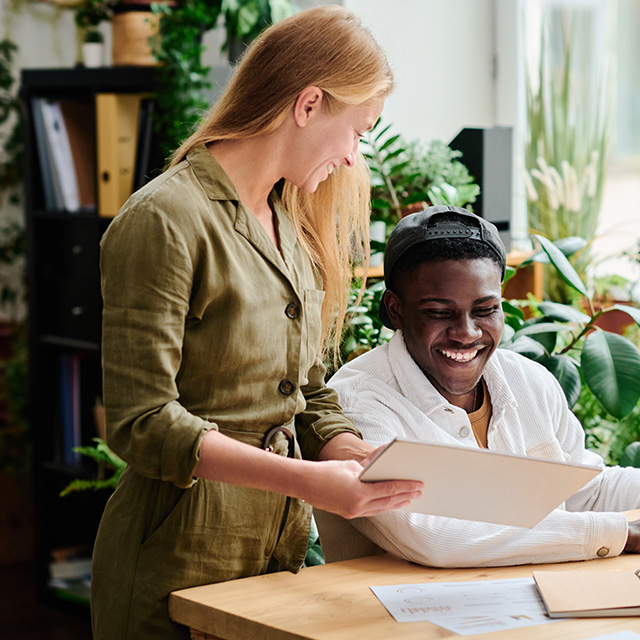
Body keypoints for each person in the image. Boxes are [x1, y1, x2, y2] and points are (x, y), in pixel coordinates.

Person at [90, 7, 422, 639]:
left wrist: (356, 458)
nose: (355, 159)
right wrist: (310, 481)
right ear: (308, 105)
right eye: (357, 131)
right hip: (171, 563)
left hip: (275, 555)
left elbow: (307, 392)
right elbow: (142, 424)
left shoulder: (287, 225)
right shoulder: (165, 219)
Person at [327, 205, 640, 568]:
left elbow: (581, 488)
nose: (467, 333)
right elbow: (435, 536)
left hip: (526, 606)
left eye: (485, 310)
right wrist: (627, 532)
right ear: (394, 309)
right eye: (439, 313)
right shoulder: (359, 401)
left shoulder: (528, 380)